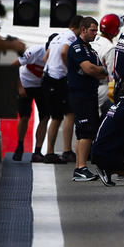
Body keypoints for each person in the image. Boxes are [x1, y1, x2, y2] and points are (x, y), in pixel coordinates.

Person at [67, 16, 109, 181]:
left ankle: (80, 168)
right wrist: (100, 71)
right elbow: (90, 68)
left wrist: (99, 70)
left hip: (89, 94)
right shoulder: (77, 47)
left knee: (85, 132)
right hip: (81, 94)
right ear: (83, 29)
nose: (95, 33)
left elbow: (100, 69)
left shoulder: (89, 49)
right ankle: (81, 167)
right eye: (92, 30)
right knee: (86, 132)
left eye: (96, 30)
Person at [41, 14, 83, 164]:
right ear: (80, 27)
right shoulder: (71, 37)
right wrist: (68, 70)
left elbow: (46, 58)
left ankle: (50, 152)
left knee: (56, 117)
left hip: (47, 78)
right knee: (70, 114)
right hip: (58, 80)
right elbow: (65, 52)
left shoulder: (57, 36)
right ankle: (66, 151)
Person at [11, 34, 55, 162]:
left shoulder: (58, 53)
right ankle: (19, 146)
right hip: (26, 84)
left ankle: (37, 150)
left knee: (45, 117)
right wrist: (19, 87)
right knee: (24, 117)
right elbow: (13, 65)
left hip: (42, 86)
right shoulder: (35, 51)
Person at [91, 13, 120, 116]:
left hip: (87, 85)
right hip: (102, 87)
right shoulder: (110, 47)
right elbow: (111, 74)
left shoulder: (93, 40)